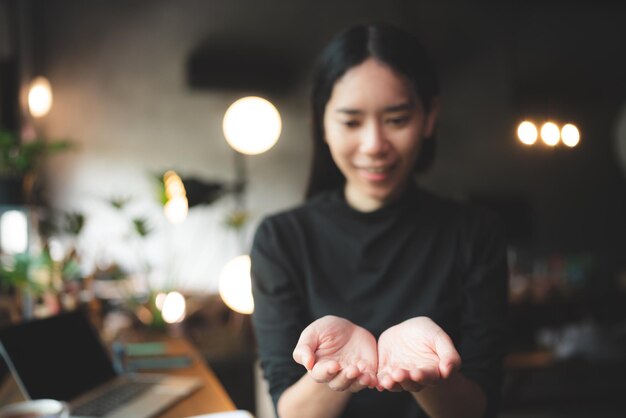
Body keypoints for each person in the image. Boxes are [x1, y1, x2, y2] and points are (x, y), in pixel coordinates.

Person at [250, 22, 508, 418]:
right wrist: (336, 371)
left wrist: (429, 377)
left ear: (429, 117)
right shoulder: (281, 238)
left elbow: (477, 404)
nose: (374, 145)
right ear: (323, 123)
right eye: (351, 122)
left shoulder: (476, 233)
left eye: (396, 119)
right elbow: (291, 411)